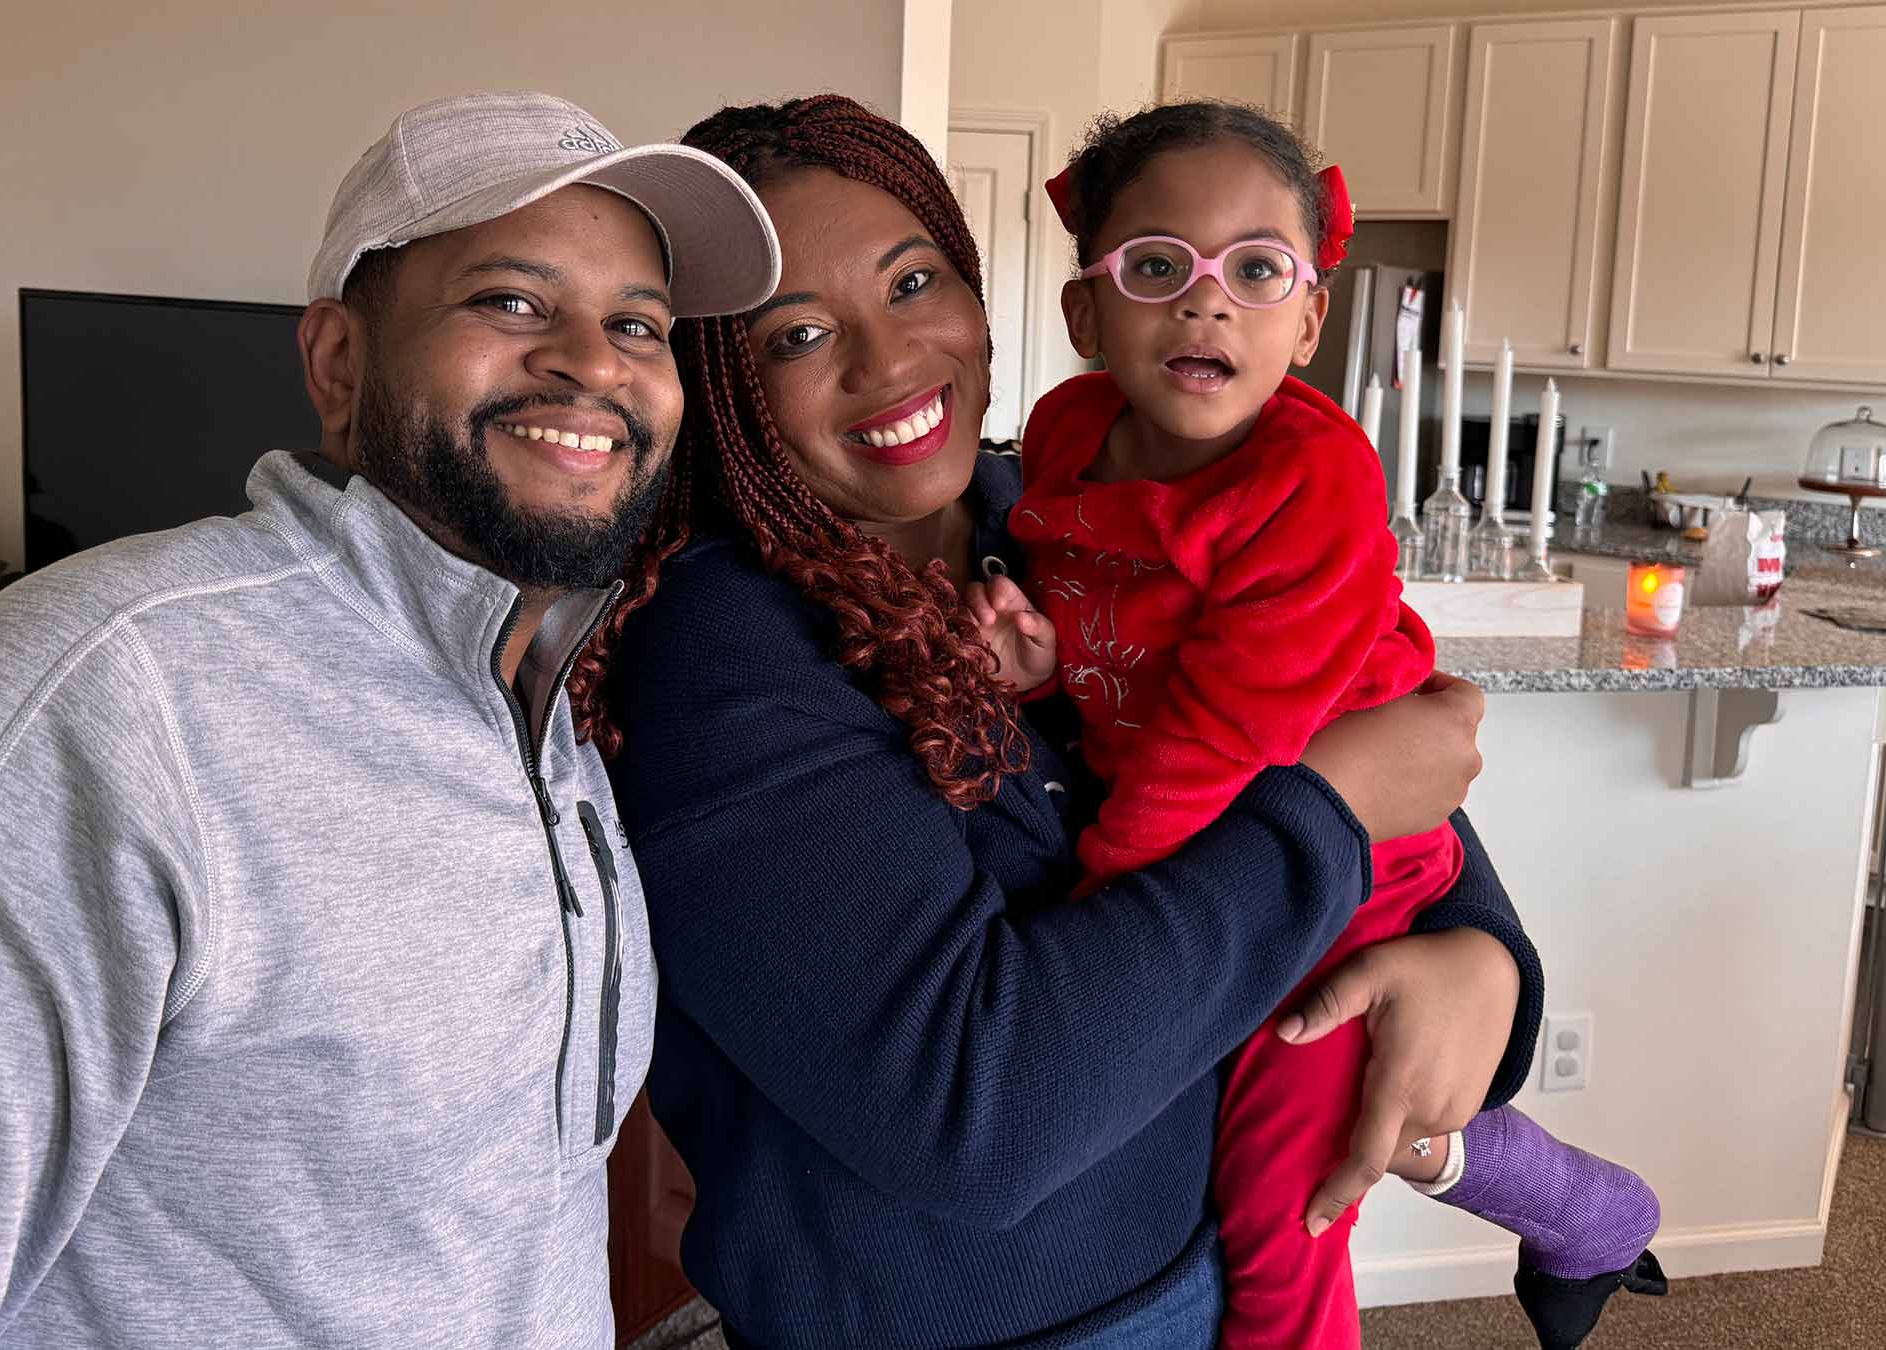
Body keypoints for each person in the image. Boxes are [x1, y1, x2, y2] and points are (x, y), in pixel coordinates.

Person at [0, 92, 777, 1346]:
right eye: (510, 301)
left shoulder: (542, 697)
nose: (592, 363)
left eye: (636, 325)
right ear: (336, 362)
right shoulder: (88, 704)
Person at [572, 94, 1544, 1348]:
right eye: (797, 334)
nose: (886, 360)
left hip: (1201, 1261)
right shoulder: (721, 660)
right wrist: (1333, 817)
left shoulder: (1068, 501)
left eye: (913, 282)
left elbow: (1367, 730)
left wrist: (1484, 957)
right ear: (722, 383)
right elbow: (975, 1116)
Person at [975, 100, 1665, 1350]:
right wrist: (1041, 669)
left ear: (1307, 320)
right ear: (1085, 313)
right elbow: (1118, 652)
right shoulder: (1063, 444)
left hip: (1347, 861)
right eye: (1154, 267)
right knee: (1339, 1116)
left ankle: (1578, 1211)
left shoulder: (1310, 479)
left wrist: (1106, 919)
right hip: (1230, 839)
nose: (1206, 304)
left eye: (1255, 270)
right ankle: (1590, 1209)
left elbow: (1219, 733)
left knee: (1282, 1211)